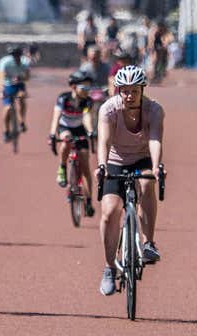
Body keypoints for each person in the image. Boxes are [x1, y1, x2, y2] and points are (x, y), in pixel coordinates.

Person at [96, 65, 164, 296]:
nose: (129, 95)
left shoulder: (154, 110)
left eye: (134, 91)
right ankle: (109, 267)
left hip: (142, 159)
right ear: (119, 90)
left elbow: (155, 139)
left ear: (142, 90)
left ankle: (148, 242)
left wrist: (156, 167)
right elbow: (104, 141)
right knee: (110, 212)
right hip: (115, 161)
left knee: (147, 183)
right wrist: (102, 165)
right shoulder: (108, 109)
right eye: (125, 91)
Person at [49, 72, 97, 217]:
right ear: (74, 87)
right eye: (84, 88)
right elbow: (56, 117)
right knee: (66, 140)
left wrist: (90, 132)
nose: (87, 91)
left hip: (80, 128)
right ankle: (62, 168)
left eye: (89, 88)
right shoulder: (63, 98)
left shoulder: (87, 101)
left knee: (85, 167)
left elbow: (87, 117)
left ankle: (88, 202)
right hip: (65, 127)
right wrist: (52, 134)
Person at [0, 45, 30, 140]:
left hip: (19, 84)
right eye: (14, 55)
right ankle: (6, 131)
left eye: (18, 55)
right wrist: (1, 90)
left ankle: (22, 121)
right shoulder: (4, 62)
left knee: (21, 98)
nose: (16, 57)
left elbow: (27, 77)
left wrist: (21, 78)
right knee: (8, 108)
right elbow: (1, 78)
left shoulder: (25, 62)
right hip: (7, 85)